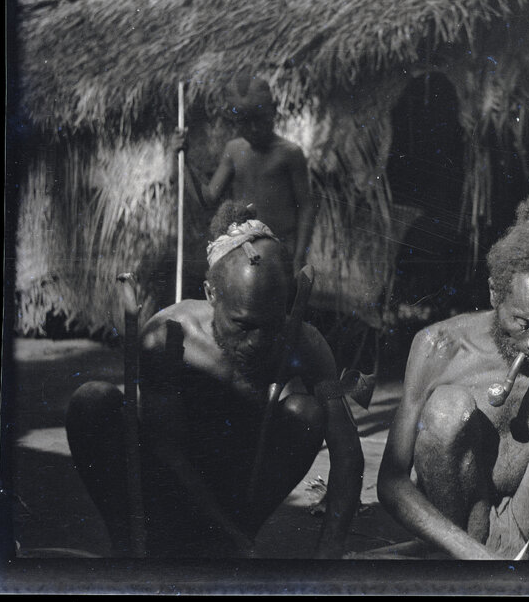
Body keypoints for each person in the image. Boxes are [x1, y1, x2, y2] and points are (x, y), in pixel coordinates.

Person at [65, 201, 363, 558]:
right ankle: (129, 544)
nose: (257, 342)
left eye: (271, 325)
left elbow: (347, 454)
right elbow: (168, 451)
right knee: (92, 399)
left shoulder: (304, 340)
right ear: (211, 294)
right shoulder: (169, 336)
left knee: (307, 412)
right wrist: (225, 530)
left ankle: (230, 542)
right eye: (243, 324)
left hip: (237, 486)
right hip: (164, 480)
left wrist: (328, 552)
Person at [377, 187, 529, 560]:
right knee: (445, 408)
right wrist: (471, 554)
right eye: (525, 322)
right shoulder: (438, 346)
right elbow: (391, 484)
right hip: (459, 531)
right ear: (494, 294)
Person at [170, 73, 316, 277]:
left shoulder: (290, 153)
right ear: (235, 122)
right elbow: (208, 199)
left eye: (260, 120)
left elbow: (306, 207)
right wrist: (183, 159)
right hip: (244, 253)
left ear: (273, 112)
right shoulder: (234, 150)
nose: (254, 129)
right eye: (245, 122)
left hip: (281, 253)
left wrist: (299, 257)